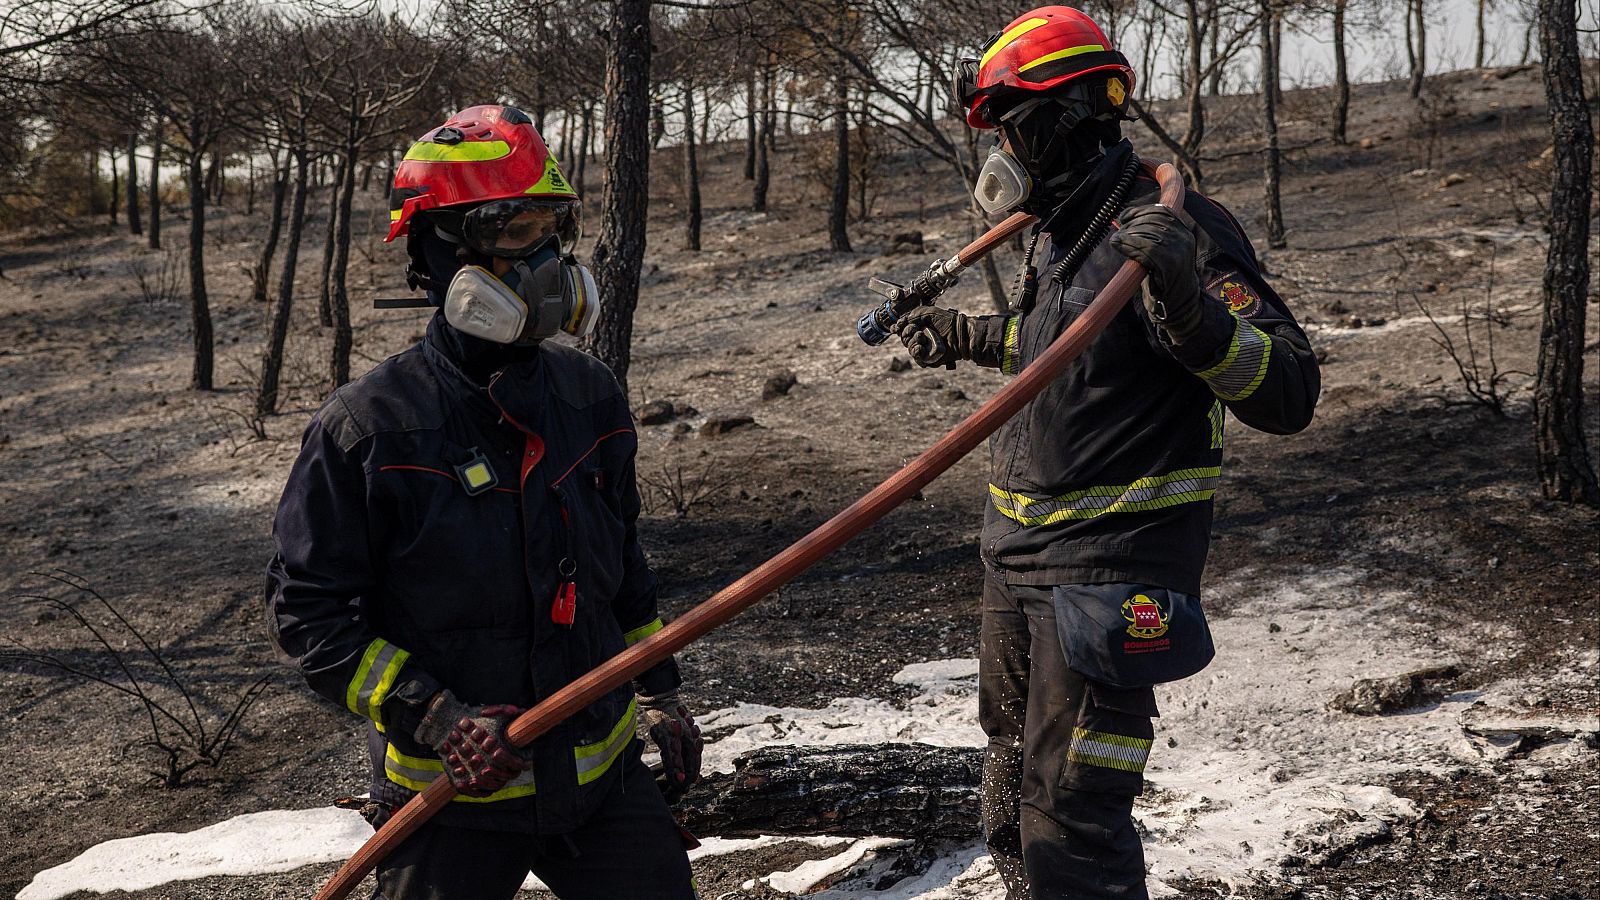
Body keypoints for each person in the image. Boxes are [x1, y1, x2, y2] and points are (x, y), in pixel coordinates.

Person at [893, 8, 1321, 898]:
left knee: (1073, 825)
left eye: (1013, 124)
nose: (1002, 148)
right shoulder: (1063, 229)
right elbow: (1079, 354)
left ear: (1071, 114)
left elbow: (1290, 392)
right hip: (1015, 563)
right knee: (1012, 800)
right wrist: (971, 335)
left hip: (1108, 579)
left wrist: (1191, 309)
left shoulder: (1176, 232)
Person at [265, 105, 702, 900]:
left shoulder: (589, 394)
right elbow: (309, 612)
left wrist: (662, 693)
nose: (541, 256)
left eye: (550, 228)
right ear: (440, 253)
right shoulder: (370, 429)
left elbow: (621, 564)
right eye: (511, 231)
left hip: (599, 782)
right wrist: (433, 717)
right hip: (452, 804)